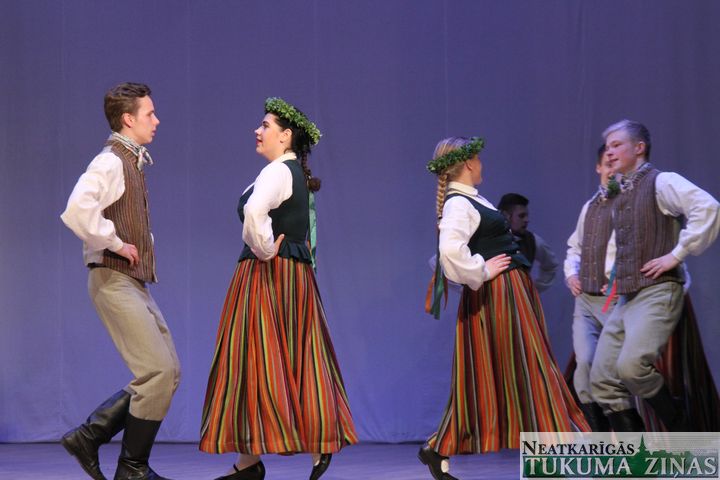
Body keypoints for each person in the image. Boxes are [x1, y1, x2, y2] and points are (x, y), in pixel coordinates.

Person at [199, 97, 357, 480]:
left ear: (285, 136)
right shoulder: (289, 172)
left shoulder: (278, 172)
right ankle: (254, 462)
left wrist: (266, 248)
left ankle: (263, 458)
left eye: (265, 125)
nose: (258, 130)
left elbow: (255, 213)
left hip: (269, 276)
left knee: (256, 358)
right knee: (296, 355)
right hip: (292, 278)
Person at [420, 137, 588, 480]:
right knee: (531, 368)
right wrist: (482, 270)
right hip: (498, 295)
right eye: (479, 159)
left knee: (508, 372)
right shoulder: (459, 203)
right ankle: (556, 454)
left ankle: (439, 447)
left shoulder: (471, 198)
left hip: (511, 293)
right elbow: (449, 252)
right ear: (469, 163)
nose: (482, 164)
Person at [60, 82, 181, 480]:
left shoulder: (131, 161)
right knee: (156, 372)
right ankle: (131, 468)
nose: (156, 120)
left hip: (130, 281)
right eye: (150, 114)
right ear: (128, 119)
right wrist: (114, 242)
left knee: (168, 372)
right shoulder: (111, 161)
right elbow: (77, 210)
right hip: (113, 279)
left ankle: (90, 437)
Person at [589, 119, 720, 432]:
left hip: (658, 291)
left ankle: (684, 432)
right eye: (608, 147)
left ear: (639, 148)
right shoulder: (621, 192)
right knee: (602, 378)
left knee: (632, 367)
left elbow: (708, 207)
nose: (609, 152)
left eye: (617, 145)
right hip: (627, 296)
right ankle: (636, 452)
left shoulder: (661, 182)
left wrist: (676, 254)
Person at [563, 144, 618, 431]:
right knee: (583, 364)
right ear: (598, 167)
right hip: (586, 300)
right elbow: (575, 248)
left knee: (611, 372)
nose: (612, 171)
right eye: (608, 165)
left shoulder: (629, 205)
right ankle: (598, 436)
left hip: (614, 301)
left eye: (617, 165)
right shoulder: (590, 207)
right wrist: (572, 274)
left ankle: (626, 439)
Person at [497, 193, 558, 292]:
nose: (526, 220)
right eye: (521, 216)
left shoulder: (532, 240)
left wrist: (534, 289)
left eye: (526, 216)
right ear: (506, 215)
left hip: (519, 299)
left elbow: (551, 265)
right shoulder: (489, 239)